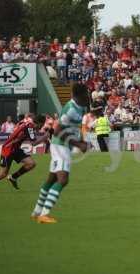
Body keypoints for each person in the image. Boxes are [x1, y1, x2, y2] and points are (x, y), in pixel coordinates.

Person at [30, 83, 90, 224]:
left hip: (64, 146)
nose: (88, 96)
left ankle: (37, 212)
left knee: (51, 179)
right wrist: (78, 144)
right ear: (79, 95)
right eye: (86, 93)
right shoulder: (69, 109)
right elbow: (57, 131)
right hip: (60, 146)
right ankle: (44, 215)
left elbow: (74, 128)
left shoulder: (81, 107)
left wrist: (81, 140)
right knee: (63, 179)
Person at [0, 114, 48, 189]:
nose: (42, 127)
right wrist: (45, 136)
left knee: (31, 164)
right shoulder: (30, 127)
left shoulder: (27, 122)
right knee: (2, 174)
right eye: (42, 125)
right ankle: (12, 177)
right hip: (8, 149)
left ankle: (13, 177)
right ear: (40, 123)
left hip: (16, 148)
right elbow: (34, 143)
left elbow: (18, 127)